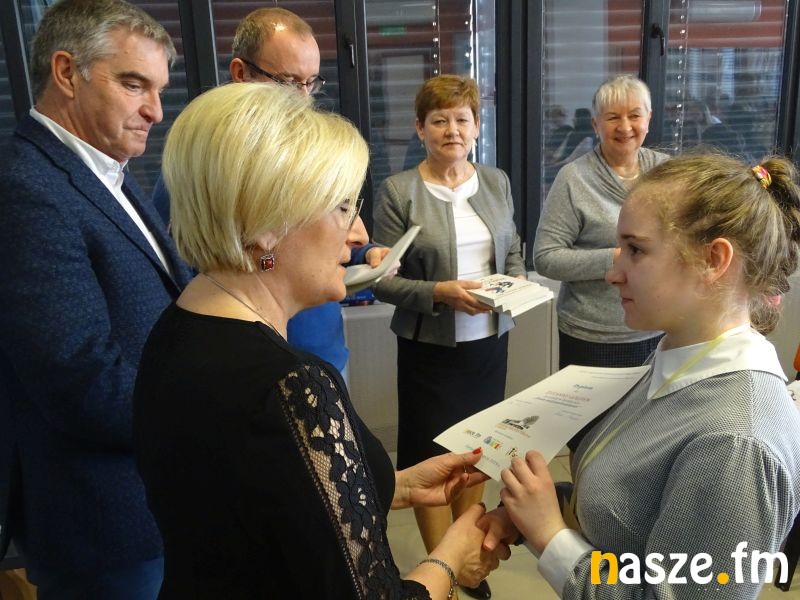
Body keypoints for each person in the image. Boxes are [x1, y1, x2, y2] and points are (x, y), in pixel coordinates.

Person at [133, 82, 510, 600]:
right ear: (265, 225)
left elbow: (263, 506)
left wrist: (392, 485)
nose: (359, 235)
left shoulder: (178, 327)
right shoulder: (292, 386)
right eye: (341, 208)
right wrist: (450, 559)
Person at [483, 152, 800, 599]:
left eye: (636, 250)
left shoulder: (736, 443)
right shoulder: (679, 359)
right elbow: (637, 502)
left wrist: (550, 536)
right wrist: (541, 505)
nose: (613, 273)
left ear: (713, 259)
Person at [0, 0, 192, 597]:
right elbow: (79, 379)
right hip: (107, 522)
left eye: (158, 90)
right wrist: (211, 416)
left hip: (152, 498)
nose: (155, 111)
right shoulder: (27, 188)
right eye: (134, 85)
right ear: (66, 72)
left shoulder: (106, 172)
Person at [150, 7, 389, 378]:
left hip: (321, 352)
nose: (304, 98)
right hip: (253, 366)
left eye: (311, 83)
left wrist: (365, 253)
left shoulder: (307, 156)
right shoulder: (205, 169)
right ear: (241, 73)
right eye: (289, 82)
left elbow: (322, 236)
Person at [373, 74, 526, 600]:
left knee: (479, 452)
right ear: (420, 129)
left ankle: (468, 558)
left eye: (462, 119)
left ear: (477, 126)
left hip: (489, 344)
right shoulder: (399, 191)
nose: (452, 130)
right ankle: (441, 566)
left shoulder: (497, 181)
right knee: (431, 456)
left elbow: (512, 249)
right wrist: (439, 292)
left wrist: (515, 284)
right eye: (439, 120)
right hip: (429, 352)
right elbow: (381, 279)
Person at [533, 74, 668, 452]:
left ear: (649, 118)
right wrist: (618, 257)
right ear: (595, 124)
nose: (625, 127)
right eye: (612, 117)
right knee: (591, 443)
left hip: (658, 331)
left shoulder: (667, 174)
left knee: (645, 442)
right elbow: (546, 257)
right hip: (593, 336)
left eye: (634, 115)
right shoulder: (574, 178)